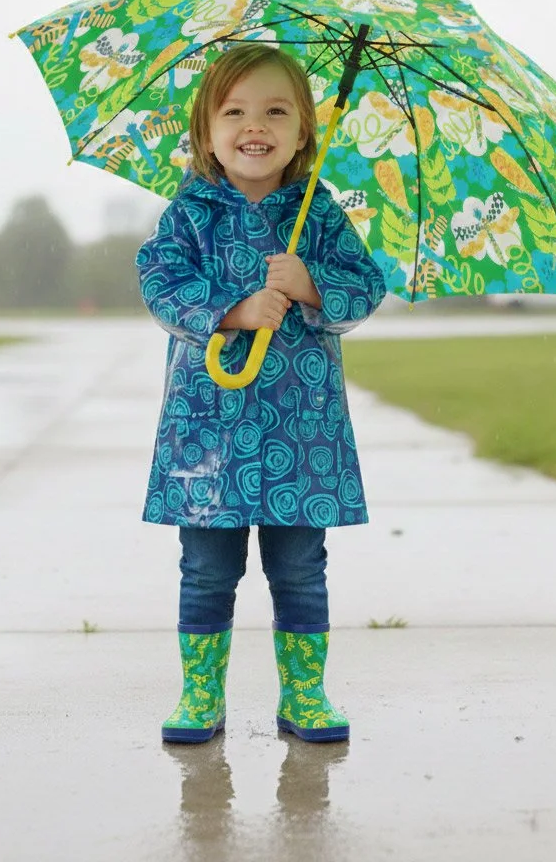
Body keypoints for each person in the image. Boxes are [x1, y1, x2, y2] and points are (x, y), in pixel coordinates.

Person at [136, 43, 387, 744]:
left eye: (277, 111)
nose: (256, 126)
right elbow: (159, 282)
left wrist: (309, 284)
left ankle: (304, 695)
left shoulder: (319, 212)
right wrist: (235, 309)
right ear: (207, 132)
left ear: (305, 131)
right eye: (236, 111)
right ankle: (200, 696)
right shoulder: (191, 212)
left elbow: (365, 285)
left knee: (301, 567)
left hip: (299, 433)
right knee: (206, 570)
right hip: (209, 431)